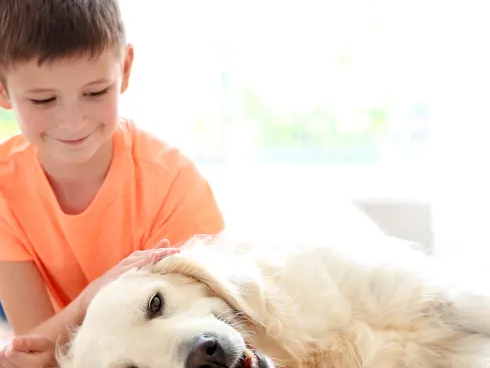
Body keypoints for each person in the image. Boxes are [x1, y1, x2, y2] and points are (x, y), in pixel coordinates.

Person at [0, 0, 225, 366]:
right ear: (4, 92)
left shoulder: (172, 184)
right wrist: (91, 298)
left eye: (95, 92)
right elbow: (33, 352)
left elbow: (199, 336)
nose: (72, 122)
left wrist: (65, 327)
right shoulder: (4, 187)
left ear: (125, 67)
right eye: (43, 99)